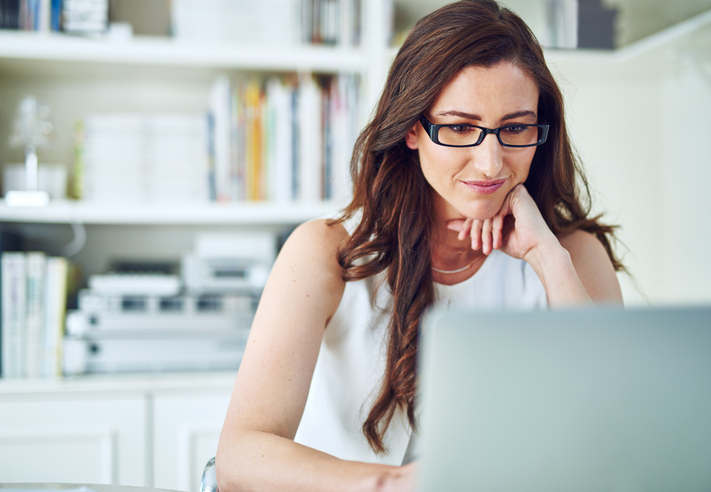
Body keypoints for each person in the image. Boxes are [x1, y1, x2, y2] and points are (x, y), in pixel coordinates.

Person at [216, 0, 624, 490]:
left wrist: (547, 258)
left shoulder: (571, 255)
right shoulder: (327, 253)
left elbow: (614, 440)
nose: (492, 163)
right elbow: (239, 458)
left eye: (515, 128)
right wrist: (393, 484)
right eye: (458, 128)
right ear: (412, 128)